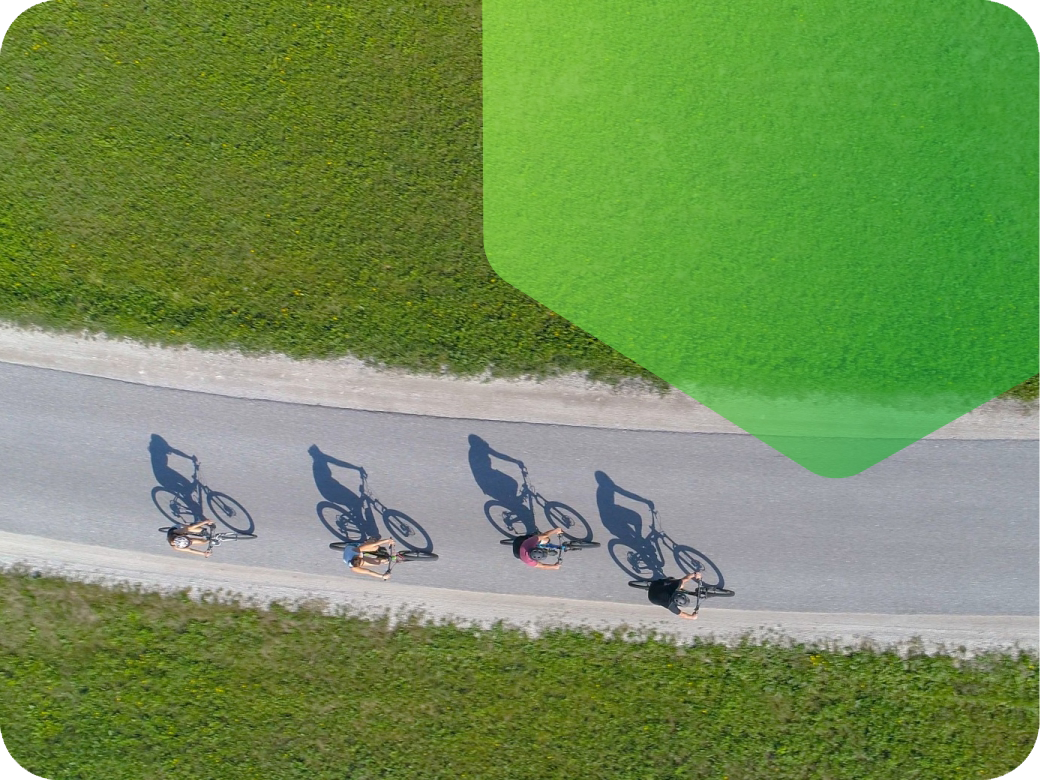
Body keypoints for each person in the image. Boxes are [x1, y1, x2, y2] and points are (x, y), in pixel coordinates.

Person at [467, 435, 531, 525]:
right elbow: (481, 471)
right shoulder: (474, 453)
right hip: (486, 482)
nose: (482, 440)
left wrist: (516, 461)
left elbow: (499, 455)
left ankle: (516, 505)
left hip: (491, 474)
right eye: (480, 440)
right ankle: (515, 513)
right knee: (512, 501)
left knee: (513, 484)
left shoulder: (482, 447)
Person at [149, 434, 203, 519]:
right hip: (163, 477)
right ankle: (196, 513)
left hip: (167, 472)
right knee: (185, 490)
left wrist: (190, 458)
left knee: (187, 485)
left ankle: (194, 508)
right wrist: (190, 458)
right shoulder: (156, 451)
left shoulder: (160, 448)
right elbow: (173, 451)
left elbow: (175, 451)